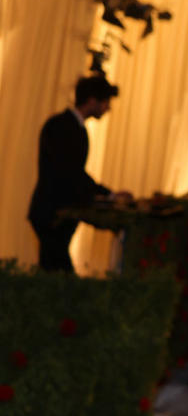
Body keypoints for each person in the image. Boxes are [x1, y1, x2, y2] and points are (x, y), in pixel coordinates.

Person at [27, 75, 128, 272]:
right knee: (57, 274)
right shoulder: (61, 127)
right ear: (92, 101)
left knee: (53, 272)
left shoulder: (71, 127)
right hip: (52, 212)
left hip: (56, 212)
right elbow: (70, 173)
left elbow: (73, 174)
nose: (108, 108)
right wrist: (109, 195)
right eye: (105, 102)